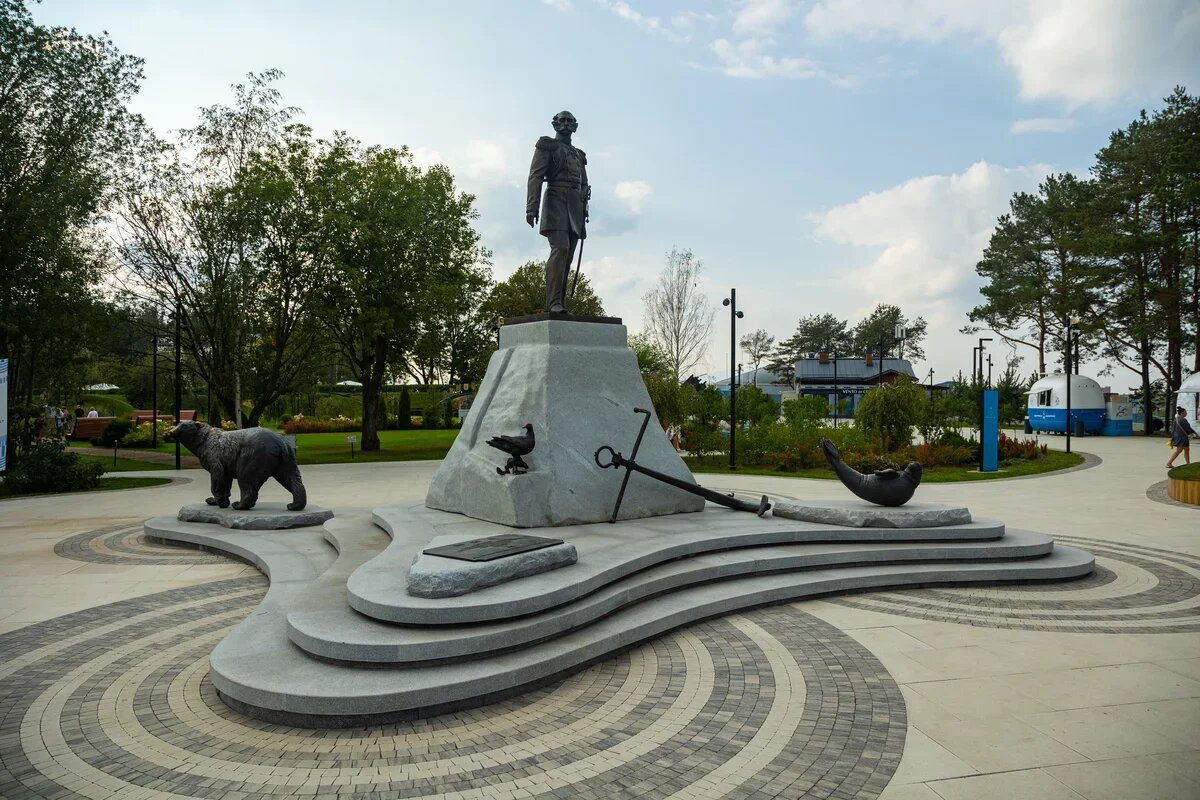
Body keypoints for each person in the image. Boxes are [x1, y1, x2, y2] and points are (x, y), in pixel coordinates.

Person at [526, 110, 590, 314]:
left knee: (568, 256)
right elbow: (535, 176)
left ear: (575, 126)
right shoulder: (547, 146)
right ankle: (553, 303)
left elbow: (585, 183)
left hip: (575, 206)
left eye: (570, 121)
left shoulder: (579, 154)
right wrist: (531, 206)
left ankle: (561, 304)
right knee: (560, 248)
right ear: (554, 124)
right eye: (562, 120)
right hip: (555, 201)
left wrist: (584, 208)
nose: (566, 124)